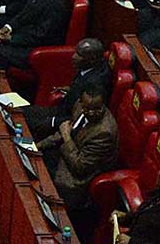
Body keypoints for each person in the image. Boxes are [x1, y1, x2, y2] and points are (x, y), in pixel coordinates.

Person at [42, 82, 118, 213]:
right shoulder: (79, 106)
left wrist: (66, 137)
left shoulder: (104, 133)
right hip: (66, 154)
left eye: (97, 109)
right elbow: (65, 131)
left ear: (104, 105)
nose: (91, 113)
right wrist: (37, 146)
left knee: (39, 173)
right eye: (87, 108)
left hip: (75, 177)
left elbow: (80, 167)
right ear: (81, 102)